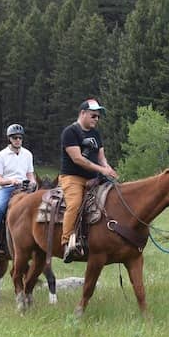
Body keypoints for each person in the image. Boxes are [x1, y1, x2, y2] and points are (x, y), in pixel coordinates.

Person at [60, 98, 118, 262]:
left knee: (114, 198)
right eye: (93, 115)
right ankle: (66, 242)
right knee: (75, 204)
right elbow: (77, 159)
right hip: (73, 177)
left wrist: (108, 169)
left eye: (98, 117)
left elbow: (101, 157)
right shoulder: (70, 132)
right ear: (83, 113)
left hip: (94, 179)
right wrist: (102, 169)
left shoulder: (96, 134)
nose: (96, 119)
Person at [0, 123, 36, 255]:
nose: (18, 140)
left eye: (20, 138)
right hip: (7, 188)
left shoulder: (27, 154)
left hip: (25, 187)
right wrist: (10, 181)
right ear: (9, 139)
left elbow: (30, 174)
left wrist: (33, 182)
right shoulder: (1, 155)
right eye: (15, 137)